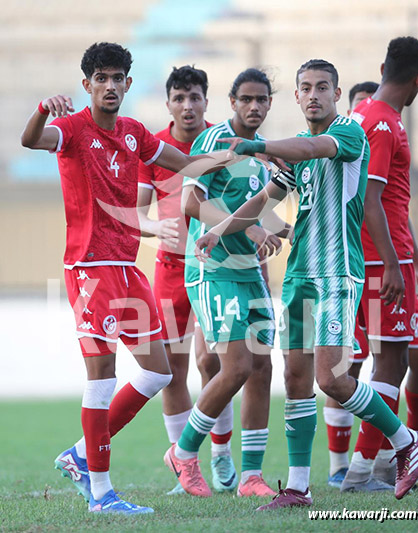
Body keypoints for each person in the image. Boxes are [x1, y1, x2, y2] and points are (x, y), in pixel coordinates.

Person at [194, 58, 418, 509]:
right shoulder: (299, 145)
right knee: (296, 378)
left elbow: (308, 150)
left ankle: (405, 440)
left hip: (337, 274)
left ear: (337, 95)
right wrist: (218, 230)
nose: (314, 94)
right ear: (297, 97)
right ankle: (298, 489)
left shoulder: (346, 134)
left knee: (331, 379)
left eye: (323, 86)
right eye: (306, 87)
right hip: (300, 274)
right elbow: (267, 197)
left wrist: (251, 146)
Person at [20, 42, 232, 514]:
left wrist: (232, 158)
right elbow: (31, 140)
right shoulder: (73, 129)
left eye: (118, 78)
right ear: (87, 85)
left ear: (129, 84)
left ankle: (79, 455)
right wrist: (40, 109)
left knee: (158, 370)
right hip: (89, 269)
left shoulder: (134, 133)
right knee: (101, 375)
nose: (111, 86)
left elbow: (180, 162)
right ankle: (101, 493)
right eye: (102, 78)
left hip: (127, 268)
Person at [163, 68, 289, 498]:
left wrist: (281, 228)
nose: (254, 106)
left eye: (262, 100)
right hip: (211, 269)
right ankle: (183, 452)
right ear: (232, 102)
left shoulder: (263, 154)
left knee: (261, 367)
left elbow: (253, 208)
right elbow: (191, 201)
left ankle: (251, 477)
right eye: (246, 99)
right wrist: (250, 230)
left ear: (270, 103)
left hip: (248, 271)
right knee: (233, 366)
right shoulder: (213, 142)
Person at [137, 65, 237, 494]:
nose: (188, 105)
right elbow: (138, 214)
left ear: (206, 101)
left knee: (213, 362)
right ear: (169, 104)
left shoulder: (223, 143)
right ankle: (184, 465)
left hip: (216, 267)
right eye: (179, 98)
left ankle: (220, 450)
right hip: (170, 271)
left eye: (194, 97)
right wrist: (156, 228)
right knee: (173, 371)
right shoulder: (153, 149)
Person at [326, 80, 418, 490]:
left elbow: (391, 205)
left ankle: (385, 460)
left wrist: (414, 260)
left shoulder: (369, 117)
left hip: (382, 256)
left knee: (398, 359)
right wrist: (391, 261)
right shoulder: (382, 124)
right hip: (377, 260)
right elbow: (371, 199)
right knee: (375, 362)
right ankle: (360, 468)